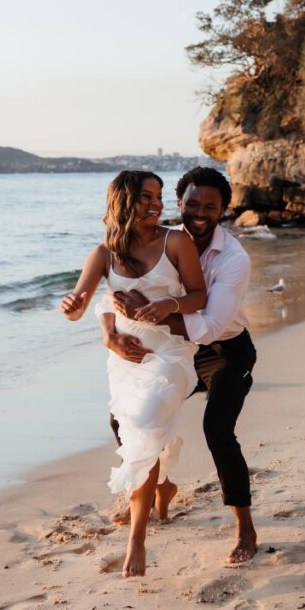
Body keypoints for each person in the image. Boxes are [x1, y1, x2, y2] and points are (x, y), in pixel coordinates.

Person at [101, 166, 258, 564]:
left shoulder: (233, 259)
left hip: (223, 351)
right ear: (180, 203)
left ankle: (245, 527)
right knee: (126, 417)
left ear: (224, 209)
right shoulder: (160, 240)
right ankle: (158, 484)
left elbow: (208, 328)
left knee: (217, 430)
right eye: (192, 204)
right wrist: (113, 334)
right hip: (173, 344)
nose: (199, 212)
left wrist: (150, 313)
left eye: (210, 206)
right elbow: (113, 291)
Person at [59, 170, 207, 578]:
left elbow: (199, 296)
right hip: (125, 360)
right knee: (142, 430)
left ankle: (136, 540)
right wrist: (78, 311)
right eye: (146, 197)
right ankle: (163, 488)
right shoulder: (105, 253)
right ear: (124, 200)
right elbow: (86, 300)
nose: (157, 204)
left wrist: (166, 307)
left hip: (170, 354)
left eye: (159, 196)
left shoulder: (176, 241)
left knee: (142, 426)